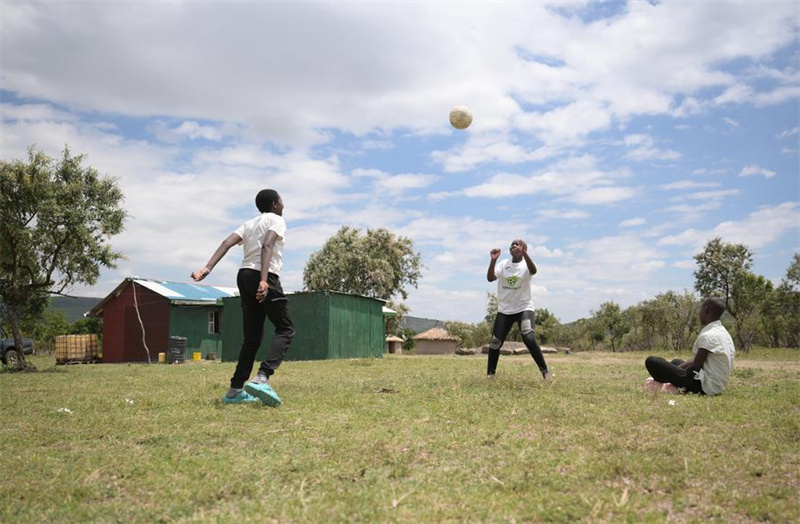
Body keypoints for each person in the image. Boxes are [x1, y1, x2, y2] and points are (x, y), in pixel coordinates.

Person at [191, 189, 294, 406]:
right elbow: (267, 244)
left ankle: (235, 390)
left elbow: (226, 243)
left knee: (252, 336)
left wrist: (206, 268)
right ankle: (262, 377)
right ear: (276, 204)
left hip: (244, 275)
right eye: (282, 200)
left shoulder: (249, 223)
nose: (283, 204)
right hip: (263, 274)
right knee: (285, 328)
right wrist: (264, 280)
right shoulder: (277, 220)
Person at [486, 239, 550, 380]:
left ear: (524, 249)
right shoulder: (503, 264)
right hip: (505, 310)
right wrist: (493, 260)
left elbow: (534, 270)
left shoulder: (527, 265)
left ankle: (545, 372)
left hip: (524, 308)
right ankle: (490, 375)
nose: (514, 246)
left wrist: (525, 255)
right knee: (495, 342)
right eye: (512, 244)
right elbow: (490, 278)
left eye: (518, 244)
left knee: (529, 337)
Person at [644, 297, 735, 395]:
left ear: (706, 309)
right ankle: (668, 382)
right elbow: (697, 360)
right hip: (717, 383)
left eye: (701, 309)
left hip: (705, 386)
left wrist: (672, 376)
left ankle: (663, 385)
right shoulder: (722, 332)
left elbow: (695, 366)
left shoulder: (709, 335)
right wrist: (674, 370)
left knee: (652, 361)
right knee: (675, 362)